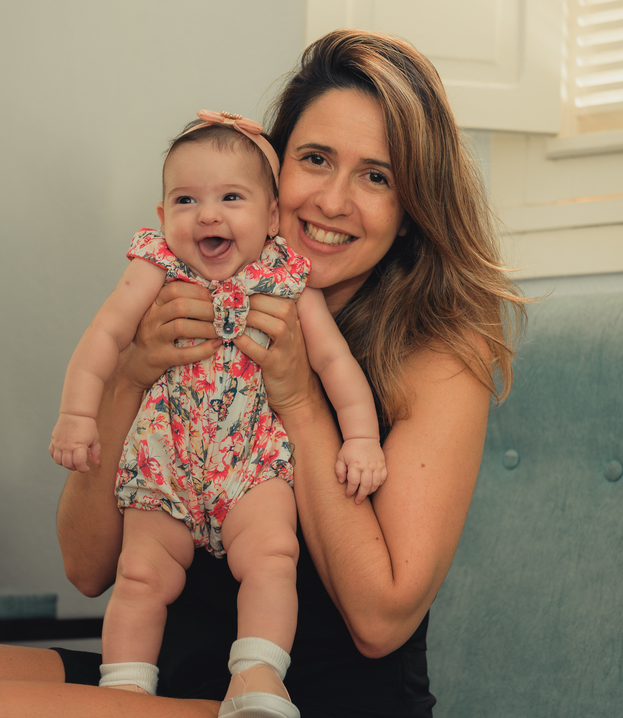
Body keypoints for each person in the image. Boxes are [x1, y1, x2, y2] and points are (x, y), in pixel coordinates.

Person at [0, 29, 525, 718]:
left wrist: (298, 396)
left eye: (376, 177)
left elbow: (380, 621)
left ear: (410, 212)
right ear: (272, 176)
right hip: (167, 676)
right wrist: (131, 374)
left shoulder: (442, 355)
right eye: (315, 159)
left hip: (313, 700)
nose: (332, 200)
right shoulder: (191, 289)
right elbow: (86, 566)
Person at [47, 108, 388, 716]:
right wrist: (78, 414)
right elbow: (103, 337)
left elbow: (335, 363)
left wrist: (360, 438)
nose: (207, 215)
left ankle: (257, 676)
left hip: (249, 462)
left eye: (231, 197)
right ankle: (125, 686)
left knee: (271, 558)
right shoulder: (154, 268)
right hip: (166, 458)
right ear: (161, 217)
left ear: (272, 217)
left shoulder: (285, 278)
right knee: (140, 574)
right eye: (186, 200)